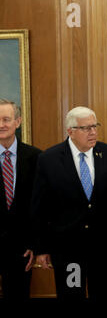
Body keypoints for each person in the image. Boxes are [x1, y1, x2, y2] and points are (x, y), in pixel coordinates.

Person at [31, 106, 107, 299]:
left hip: (104, 250)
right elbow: (39, 207)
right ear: (70, 131)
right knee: (71, 295)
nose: (93, 132)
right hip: (68, 252)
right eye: (86, 128)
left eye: (95, 126)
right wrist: (41, 248)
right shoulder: (49, 159)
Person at [0, 99, 41, 298]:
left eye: (6, 119)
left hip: (22, 250)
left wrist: (35, 244)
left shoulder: (37, 158)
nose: (1, 125)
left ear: (18, 121)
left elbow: (42, 206)